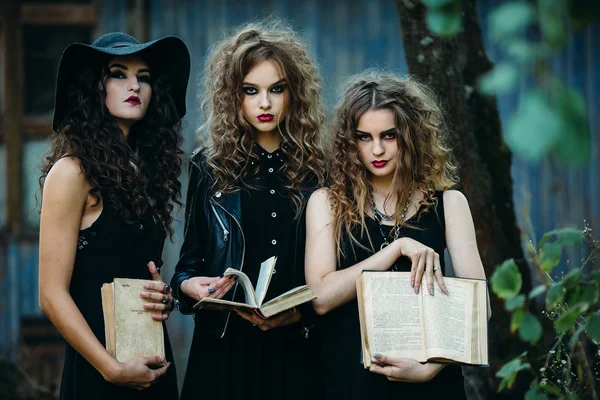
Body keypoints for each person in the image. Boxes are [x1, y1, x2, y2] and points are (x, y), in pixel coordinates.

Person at [304, 71, 491, 399]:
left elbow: (480, 308)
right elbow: (319, 298)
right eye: (364, 137)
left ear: (411, 134)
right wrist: (395, 249)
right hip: (349, 383)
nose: (377, 149)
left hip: (432, 386)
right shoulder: (327, 202)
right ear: (350, 141)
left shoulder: (449, 202)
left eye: (389, 136)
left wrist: (429, 368)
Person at [171, 20, 327, 400]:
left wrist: (302, 314)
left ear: (295, 93)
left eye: (277, 89)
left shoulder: (320, 171)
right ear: (232, 96)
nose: (265, 103)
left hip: (296, 349)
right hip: (224, 347)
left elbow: (333, 273)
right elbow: (186, 269)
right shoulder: (209, 167)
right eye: (251, 91)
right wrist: (192, 287)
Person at [38, 32, 190, 399]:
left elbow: (130, 270)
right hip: (100, 372)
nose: (134, 84)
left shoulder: (146, 173)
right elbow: (51, 294)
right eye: (119, 73)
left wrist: (162, 297)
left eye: (145, 77)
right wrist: (112, 369)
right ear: (95, 88)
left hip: (150, 362)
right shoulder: (72, 172)